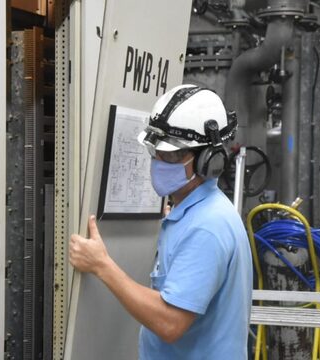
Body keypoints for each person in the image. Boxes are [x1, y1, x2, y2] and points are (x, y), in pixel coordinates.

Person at [69, 84, 252, 359]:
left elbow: (170, 323)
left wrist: (101, 265)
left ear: (208, 160)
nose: (159, 161)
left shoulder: (206, 227)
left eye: (172, 155)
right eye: (157, 152)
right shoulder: (192, 213)